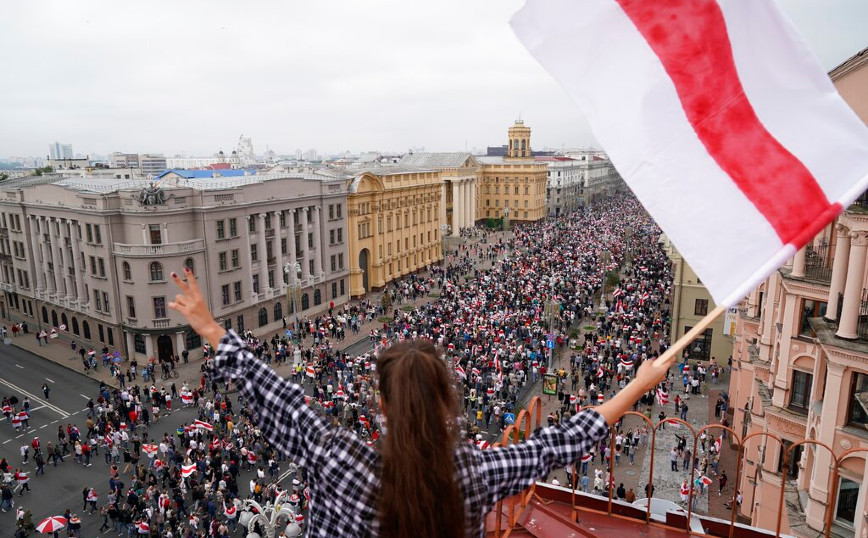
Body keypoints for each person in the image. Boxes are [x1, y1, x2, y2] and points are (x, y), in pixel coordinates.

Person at [167, 266, 679, 537]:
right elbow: (560, 443)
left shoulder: (338, 457)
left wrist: (211, 329)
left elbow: (280, 398)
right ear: (446, 403)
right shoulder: (474, 472)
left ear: (382, 406)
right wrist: (637, 384)